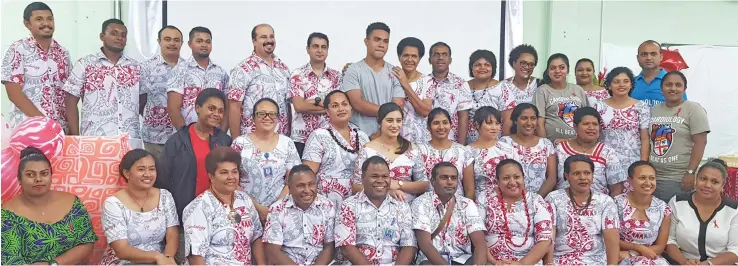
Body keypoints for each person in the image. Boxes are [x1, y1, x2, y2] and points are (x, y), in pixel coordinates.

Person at [1, 146, 97, 264]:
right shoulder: (7, 215)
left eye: (44, 173)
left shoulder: (72, 202)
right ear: (19, 179)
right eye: (30, 175)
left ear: (51, 176)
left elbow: (86, 242)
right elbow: (10, 261)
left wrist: (53, 264)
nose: (38, 179)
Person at [156, 88, 232, 223]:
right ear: (197, 108)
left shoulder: (225, 141)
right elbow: (163, 181)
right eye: (211, 108)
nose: (216, 114)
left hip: (218, 213)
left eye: (220, 111)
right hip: (185, 213)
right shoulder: (177, 141)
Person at [182, 146, 265, 265]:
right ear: (211, 177)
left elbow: (256, 236)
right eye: (224, 172)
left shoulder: (244, 199)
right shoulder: (198, 208)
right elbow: (195, 256)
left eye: (234, 171)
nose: (231, 177)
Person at [63, 19, 141, 137]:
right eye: (114, 33)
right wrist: (75, 137)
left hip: (130, 138)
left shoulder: (136, 67)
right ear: (102, 36)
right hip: (95, 139)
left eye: (123, 35)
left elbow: (142, 100)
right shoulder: (85, 64)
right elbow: (70, 102)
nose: (119, 38)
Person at [100, 149, 179, 265]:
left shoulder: (165, 196)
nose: (148, 174)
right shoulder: (113, 204)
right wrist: (157, 257)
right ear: (127, 173)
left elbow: (172, 234)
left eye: (152, 169)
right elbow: (122, 250)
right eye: (141, 169)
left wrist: (168, 257)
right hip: (124, 262)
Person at [334, 156, 417, 265]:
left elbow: (409, 245)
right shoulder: (348, 206)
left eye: (385, 176)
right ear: (363, 178)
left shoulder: (401, 206)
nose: (380, 181)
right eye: (374, 176)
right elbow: (347, 247)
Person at [2, 2, 71, 132]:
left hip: (61, 132)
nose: (46, 23)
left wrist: (72, 131)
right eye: (39, 19)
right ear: (27, 24)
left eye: (49, 19)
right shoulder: (17, 50)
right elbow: (14, 94)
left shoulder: (63, 53)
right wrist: (45, 124)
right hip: (29, 131)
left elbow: (68, 95)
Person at [232, 98, 301, 220]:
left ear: (278, 118)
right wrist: (259, 209)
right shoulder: (240, 143)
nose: (267, 117)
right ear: (253, 118)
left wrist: (273, 209)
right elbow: (232, 182)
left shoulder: (287, 143)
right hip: (245, 209)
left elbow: (293, 181)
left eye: (272, 114)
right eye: (261, 114)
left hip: (280, 212)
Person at [545, 155, 620, 265]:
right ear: (567, 176)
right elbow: (548, 236)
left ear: (592, 176)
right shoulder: (553, 198)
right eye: (576, 173)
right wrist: (548, 263)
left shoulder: (605, 201)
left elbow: (612, 240)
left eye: (587, 173)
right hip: (561, 260)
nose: (583, 177)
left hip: (596, 261)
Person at [477, 159, 553, 264]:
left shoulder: (536, 201)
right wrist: (493, 262)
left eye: (517, 177)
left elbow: (545, 240)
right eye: (506, 178)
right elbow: (477, 234)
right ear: (497, 181)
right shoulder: (485, 197)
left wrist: (521, 264)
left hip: (528, 262)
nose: (512, 182)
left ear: (523, 178)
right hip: (490, 261)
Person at [649, 71, 710, 202]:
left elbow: (701, 142)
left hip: (678, 178)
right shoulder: (654, 110)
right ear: (661, 88)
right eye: (668, 85)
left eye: (678, 85)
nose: (673, 88)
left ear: (684, 89)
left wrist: (690, 172)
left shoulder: (693, 109)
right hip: (652, 177)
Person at [302, 90, 369, 207]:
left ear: (350, 107)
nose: (341, 108)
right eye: (335, 106)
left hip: (357, 202)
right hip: (325, 203)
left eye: (344, 104)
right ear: (327, 111)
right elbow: (307, 174)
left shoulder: (362, 136)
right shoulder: (319, 135)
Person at [412, 162, 487, 265]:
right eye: (444, 178)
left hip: (462, 259)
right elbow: (425, 244)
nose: (450, 182)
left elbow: (480, 244)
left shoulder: (467, 204)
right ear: (433, 181)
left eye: (453, 178)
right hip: (432, 261)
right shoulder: (421, 203)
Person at [665, 159, 738, 265]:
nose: (707, 185)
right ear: (696, 179)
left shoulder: (733, 210)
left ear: (722, 186)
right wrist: (685, 262)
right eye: (703, 179)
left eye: (715, 182)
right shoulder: (677, 202)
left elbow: (735, 251)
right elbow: (669, 240)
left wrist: (708, 264)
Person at [352, 103, 429, 203]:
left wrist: (398, 184)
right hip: (376, 208)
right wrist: (387, 191)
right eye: (389, 121)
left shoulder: (412, 149)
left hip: (407, 208)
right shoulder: (367, 150)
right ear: (380, 122)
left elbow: (424, 185)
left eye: (399, 121)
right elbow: (356, 186)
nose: (395, 125)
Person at [263, 165, 336, 265]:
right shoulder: (277, 209)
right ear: (290, 188)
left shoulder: (327, 206)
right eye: (300, 186)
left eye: (311, 184)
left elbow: (329, 247)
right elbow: (273, 251)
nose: (307, 190)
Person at [229, 24, 291, 139]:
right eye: (263, 37)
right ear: (254, 41)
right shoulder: (242, 69)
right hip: (252, 140)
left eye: (271, 36)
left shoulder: (284, 69)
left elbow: (288, 106)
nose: (269, 40)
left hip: (280, 140)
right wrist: (236, 143)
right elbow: (234, 107)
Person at [342, 22, 405, 136]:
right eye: (377, 39)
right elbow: (357, 103)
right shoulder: (353, 70)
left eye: (385, 41)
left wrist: (382, 131)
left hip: (389, 138)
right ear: (366, 41)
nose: (381, 44)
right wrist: (389, 113)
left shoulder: (395, 72)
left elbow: (398, 105)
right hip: (360, 137)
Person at [166, 26, 229, 130]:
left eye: (208, 42)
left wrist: (221, 136)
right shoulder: (179, 70)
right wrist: (186, 137)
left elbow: (227, 108)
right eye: (199, 41)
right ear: (190, 44)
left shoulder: (221, 72)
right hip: (187, 137)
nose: (204, 45)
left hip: (215, 137)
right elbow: (173, 109)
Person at [289, 32, 342, 156]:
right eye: (315, 46)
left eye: (323, 47)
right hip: (301, 138)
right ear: (308, 49)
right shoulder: (297, 75)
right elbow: (299, 106)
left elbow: (339, 108)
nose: (319, 50)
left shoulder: (337, 77)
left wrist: (312, 101)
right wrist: (326, 106)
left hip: (329, 137)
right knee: (302, 175)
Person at [555, 107, 626, 196]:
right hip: (564, 204)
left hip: (598, 206)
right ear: (575, 126)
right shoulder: (560, 149)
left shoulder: (607, 153)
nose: (591, 128)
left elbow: (617, 188)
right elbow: (551, 180)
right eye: (586, 124)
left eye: (595, 124)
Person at [591, 67, 650, 170]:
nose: (621, 85)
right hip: (603, 160)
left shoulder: (641, 107)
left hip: (632, 162)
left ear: (631, 85)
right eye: (616, 82)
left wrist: (643, 164)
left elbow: (645, 139)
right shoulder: (598, 107)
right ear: (609, 85)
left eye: (626, 81)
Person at [139, 25, 184, 158]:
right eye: (167, 39)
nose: (172, 43)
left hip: (181, 138)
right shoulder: (146, 68)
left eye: (176, 40)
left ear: (182, 43)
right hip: (154, 138)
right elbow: (140, 103)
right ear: (159, 41)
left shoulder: (188, 68)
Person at [615, 161, 671, 265]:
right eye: (642, 178)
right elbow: (608, 238)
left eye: (652, 178)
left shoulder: (663, 208)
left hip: (651, 257)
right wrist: (637, 247)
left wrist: (633, 253)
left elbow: (660, 246)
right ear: (630, 181)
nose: (648, 182)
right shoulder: (615, 204)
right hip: (618, 256)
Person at [499, 103, 557, 197]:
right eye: (524, 118)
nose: (529, 123)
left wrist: (535, 199)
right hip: (510, 198)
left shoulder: (546, 144)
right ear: (515, 121)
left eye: (533, 118)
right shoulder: (504, 143)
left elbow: (551, 179)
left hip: (539, 199)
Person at [418, 108, 474, 198]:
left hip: (458, 205)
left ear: (451, 125)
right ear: (428, 127)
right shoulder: (419, 151)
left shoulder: (462, 151)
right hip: (428, 205)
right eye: (436, 123)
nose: (441, 127)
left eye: (445, 122)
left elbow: (469, 190)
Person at [533, 53, 590, 142]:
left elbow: (588, 118)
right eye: (552, 68)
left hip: (577, 145)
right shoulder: (542, 91)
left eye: (562, 67)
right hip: (552, 145)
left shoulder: (578, 90)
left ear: (567, 70)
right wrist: (546, 146)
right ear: (548, 71)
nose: (557, 71)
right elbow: (539, 123)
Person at [424, 42, 473, 144]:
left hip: (451, 143)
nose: (440, 58)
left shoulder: (461, 84)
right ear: (429, 60)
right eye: (436, 54)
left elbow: (463, 117)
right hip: (425, 141)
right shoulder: (422, 82)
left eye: (444, 54)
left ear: (450, 60)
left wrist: (461, 145)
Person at [466, 49, 516, 141]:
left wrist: (504, 144)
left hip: (494, 145)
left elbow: (507, 120)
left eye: (487, 65)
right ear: (471, 68)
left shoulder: (502, 88)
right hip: (467, 146)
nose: (482, 68)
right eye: (478, 65)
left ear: (493, 68)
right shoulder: (463, 87)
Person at [466, 106, 514, 198]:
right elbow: (469, 189)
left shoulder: (507, 149)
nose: (494, 127)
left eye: (497, 123)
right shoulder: (467, 152)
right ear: (476, 125)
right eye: (489, 123)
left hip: (507, 202)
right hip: (480, 203)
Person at [394, 37, 433, 143]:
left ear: (419, 59)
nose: (410, 60)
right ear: (399, 56)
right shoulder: (391, 77)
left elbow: (425, 111)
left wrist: (406, 85)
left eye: (414, 56)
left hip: (421, 140)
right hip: (395, 138)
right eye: (406, 55)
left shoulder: (427, 81)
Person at [632, 40, 687, 107]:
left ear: (661, 57)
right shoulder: (630, 84)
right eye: (644, 54)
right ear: (638, 58)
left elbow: (683, 111)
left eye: (653, 54)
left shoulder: (674, 83)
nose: (649, 58)